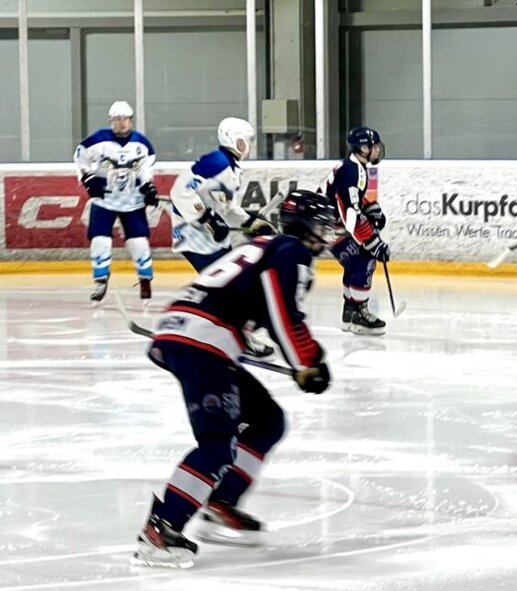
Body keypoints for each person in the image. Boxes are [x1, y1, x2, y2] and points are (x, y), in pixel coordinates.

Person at [131, 190, 336, 569]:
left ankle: (221, 503)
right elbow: (282, 312)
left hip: (194, 335)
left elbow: (253, 303)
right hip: (203, 340)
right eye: (323, 225)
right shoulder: (291, 250)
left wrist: (307, 356)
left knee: (267, 420)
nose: (328, 234)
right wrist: (306, 361)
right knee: (216, 444)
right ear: (304, 225)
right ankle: (161, 530)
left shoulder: (264, 245)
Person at [168, 117, 275, 357]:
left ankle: (223, 328)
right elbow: (179, 191)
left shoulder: (231, 167)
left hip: (207, 238)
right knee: (230, 286)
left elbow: (225, 208)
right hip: (193, 236)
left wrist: (250, 221)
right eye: (243, 141)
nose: (248, 145)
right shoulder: (217, 163)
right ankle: (233, 334)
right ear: (231, 140)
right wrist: (206, 219)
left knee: (233, 282)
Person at [74, 101, 158, 303]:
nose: (122, 123)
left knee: (139, 243)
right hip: (105, 200)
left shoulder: (142, 144)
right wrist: (87, 179)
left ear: (131, 120)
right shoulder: (98, 140)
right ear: (111, 121)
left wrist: (148, 187)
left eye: (125, 119)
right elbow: (80, 157)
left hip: (133, 201)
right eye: (117, 119)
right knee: (100, 240)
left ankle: (145, 279)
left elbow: (146, 168)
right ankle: (101, 280)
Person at [319, 126, 391, 335]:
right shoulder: (353, 171)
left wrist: (369, 206)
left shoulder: (354, 166)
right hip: (327, 226)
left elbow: (352, 200)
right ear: (362, 148)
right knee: (365, 258)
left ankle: (350, 312)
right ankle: (359, 313)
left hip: (325, 224)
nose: (377, 151)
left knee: (353, 263)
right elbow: (350, 211)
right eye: (373, 147)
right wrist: (371, 240)